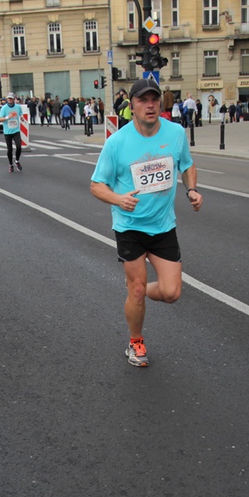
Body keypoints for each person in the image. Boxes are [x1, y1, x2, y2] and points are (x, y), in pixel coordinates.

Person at [89, 78, 202, 368]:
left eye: (154, 99)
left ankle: (137, 292)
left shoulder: (175, 133)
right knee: (137, 289)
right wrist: (118, 199)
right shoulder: (117, 142)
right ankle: (135, 340)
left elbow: (187, 164)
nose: (150, 105)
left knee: (171, 293)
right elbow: (96, 185)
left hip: (163, 225)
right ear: (132, 106)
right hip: (130, 226)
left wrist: (191, 189)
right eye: (143, 100)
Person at [0, 92, 24, 172]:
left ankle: (17, 161)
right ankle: (10, 164)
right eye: (8, 98)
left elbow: (21, 113)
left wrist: (21, 117)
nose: (10, 100)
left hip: (16, 130)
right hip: (7, 131)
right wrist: (8, 117)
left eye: (11, 98)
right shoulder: (4, 108)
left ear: (14, 99)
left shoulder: (18, 107)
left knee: (19, 147)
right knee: (10, 149)